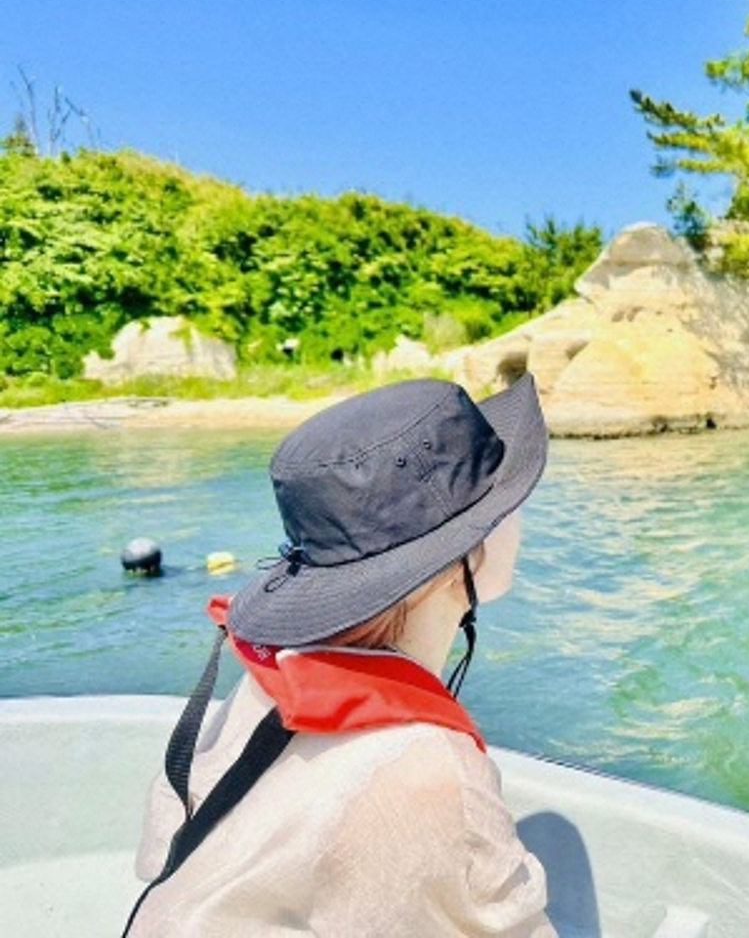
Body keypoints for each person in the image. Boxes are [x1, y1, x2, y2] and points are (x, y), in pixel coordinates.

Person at [125, 375, 556, 936]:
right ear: (466, 558)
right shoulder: (432, 768)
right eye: (505, 504)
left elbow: (159, 851)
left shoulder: (262, 688)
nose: (520, 517)